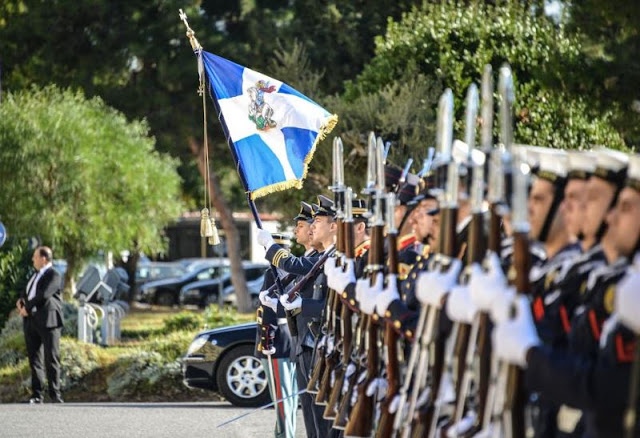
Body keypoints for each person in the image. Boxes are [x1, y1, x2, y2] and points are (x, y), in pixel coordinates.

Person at [16, 246, 64, 404]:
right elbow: (27, 292)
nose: (32, 260)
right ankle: (37, 394)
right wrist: (21, 302)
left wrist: (27, 308)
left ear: (44, 259)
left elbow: (44, 295)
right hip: (31, 320)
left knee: (51, 357)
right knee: (34, 359)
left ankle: (55, 394)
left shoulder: (54, 275)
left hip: (48, 321)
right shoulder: (35, 275)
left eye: (35, 257)